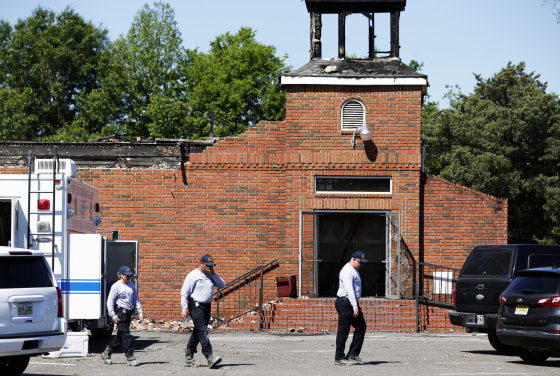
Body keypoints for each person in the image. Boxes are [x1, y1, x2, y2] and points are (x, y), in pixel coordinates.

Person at [181, 254, 226, 369]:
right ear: (201, 263)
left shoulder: (211, 275)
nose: (209, 268)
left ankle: (189, 355)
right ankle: (209, 356)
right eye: (207, 265)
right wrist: (184, 309)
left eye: (211, 266)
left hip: (207, 306)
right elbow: (184, 292)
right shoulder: (193, 275)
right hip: (196, 306)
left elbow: (222, 285)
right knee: (203, 330)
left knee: (198, 330)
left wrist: (213, 274)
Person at [101, 265, 144, 366]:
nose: (129, 277)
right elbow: (110, 301)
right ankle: (130, 357)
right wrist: (112, 315)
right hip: (120, 313)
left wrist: (140, 312)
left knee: (121, 335)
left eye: (130, 276)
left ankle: (107, 352)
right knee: (126, 336)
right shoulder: (116, 286)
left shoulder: (131, 284)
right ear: (121, 275)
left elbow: (136, 298)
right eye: (127, 275)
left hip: (128, 313)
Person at [334, 251, 368, 365]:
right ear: (354, 259)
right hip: (345, 302)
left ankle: (353, 354)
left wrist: (354, 305)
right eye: (360, 262)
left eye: (363, 263)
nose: (362, 265)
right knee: (344, 331)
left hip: (351, 302)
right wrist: (355, 306)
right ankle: (339, 357)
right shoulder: (347, 271)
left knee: (361, 326)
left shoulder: (354, 270)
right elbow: (349, 290)